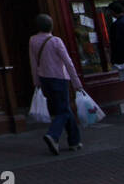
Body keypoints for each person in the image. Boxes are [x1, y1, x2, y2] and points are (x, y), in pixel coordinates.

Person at [28, 14, 84, 154]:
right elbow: (68, 62)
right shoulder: (56, 41)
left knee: (64, 109)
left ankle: (74, 141)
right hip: (59, 78)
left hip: (44, 78)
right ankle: (53, 135)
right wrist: (76, 82)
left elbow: (33, 62)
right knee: (64, 110)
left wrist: (36, 81)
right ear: (51, 26)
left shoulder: (33, 40)